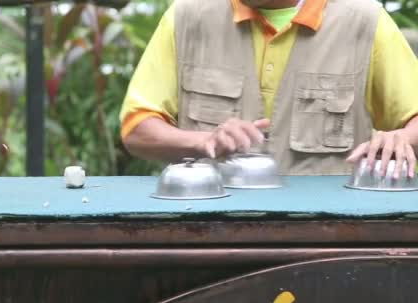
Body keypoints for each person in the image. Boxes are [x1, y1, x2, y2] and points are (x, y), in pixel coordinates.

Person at [119, 0, 418, 178]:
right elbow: (137, 129)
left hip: (327, 243)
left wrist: (401, 138)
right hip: (210, 235)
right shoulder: (188, 16)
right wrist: (202, 140)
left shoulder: (364, 22)